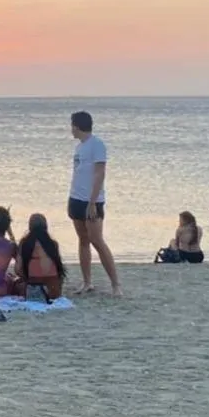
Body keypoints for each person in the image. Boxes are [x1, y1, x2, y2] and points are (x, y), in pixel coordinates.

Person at [67, 112, 121, 295]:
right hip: (76, 198)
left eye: (72, 125)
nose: (71, 129)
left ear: (77, 126)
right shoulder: (79, 147)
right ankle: (87, 281)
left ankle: (115, 285)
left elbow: (100, 173)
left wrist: (92, 201)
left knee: (97, 240)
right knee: (83, 240)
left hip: (92, 200)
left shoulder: (96, 145)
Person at [14, 213, 66, 301]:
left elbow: (18, 270)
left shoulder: (25, 243)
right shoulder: (53, 244)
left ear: (30, 227)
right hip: (53, 291)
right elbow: (58, 269)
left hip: (32, 289)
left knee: (15, 282)